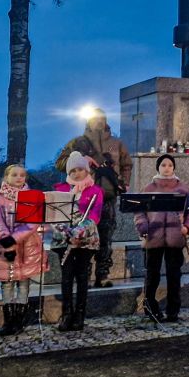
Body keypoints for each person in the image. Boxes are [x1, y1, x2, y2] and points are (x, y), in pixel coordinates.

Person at [57, 108, 131, 288]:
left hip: (107, 197)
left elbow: (127, 164)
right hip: (83, 197)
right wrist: (81, 158)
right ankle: (85, 276)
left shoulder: (117, 143)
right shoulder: (77, 142)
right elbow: (60, 163)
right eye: (94, 118)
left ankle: (102, 274)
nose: (98, 121)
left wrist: (125, 182)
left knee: (106, 238)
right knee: (83, 237)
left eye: (101, 118)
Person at [134, 154, 189, 322]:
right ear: (158, 168)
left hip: (175, 238)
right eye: (163, 165)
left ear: (174, 167)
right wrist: (143, 227)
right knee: (152, 275)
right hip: (153, 237)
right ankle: (150, 307)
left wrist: (187, 227)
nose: (167, 168)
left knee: (174, 275)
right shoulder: (149, 188)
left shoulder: (183, 189)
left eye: (170, 165)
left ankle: (173, 310)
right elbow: (140, 212)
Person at [0, 164, 46, 337]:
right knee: (7, 282)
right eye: (14, 175)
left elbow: (32, 224)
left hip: (28, 246)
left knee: (24, 282)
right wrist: (6, 239)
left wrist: (15, 238)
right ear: (6, 177)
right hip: (6, 246)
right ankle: (8, 321)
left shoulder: (31, 197)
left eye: (22, 175)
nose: (19, 178)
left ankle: (19, 320)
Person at [52, 152, 104, 332]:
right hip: (64, 240)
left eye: (80, 169)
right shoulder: (60, 190)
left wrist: (79, 231)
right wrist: (66, 231)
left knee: (82, 276)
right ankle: (67, 313)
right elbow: (54, 214)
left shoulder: (95, 191)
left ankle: (80, 314)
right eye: (72, 170)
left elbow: (95, 215)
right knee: (66, 276)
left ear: (87, 170)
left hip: (86, 239)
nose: (76, 173)